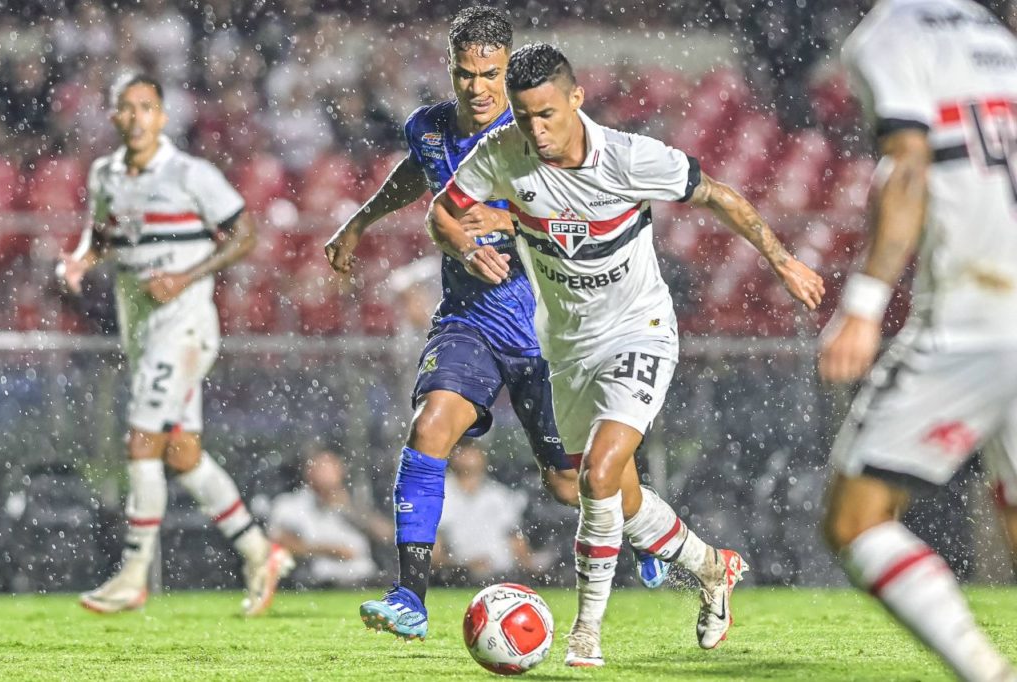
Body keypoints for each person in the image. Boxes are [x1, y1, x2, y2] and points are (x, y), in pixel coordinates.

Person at [426, 43, 824, 667]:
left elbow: (719, 195)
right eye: (525, 116)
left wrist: (783, 260)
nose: (536, 129)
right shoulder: (503, 155)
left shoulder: (631, 158)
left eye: (548, 114)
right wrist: (466, 247)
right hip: (566, 350)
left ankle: (587, 634)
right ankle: (711, 567)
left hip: (639, 331)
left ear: (577, 99)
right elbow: (441, 213)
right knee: (610, 497)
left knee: (598, 474)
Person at [323, 7, 664, 642]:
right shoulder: (427, 129)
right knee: (429, 430)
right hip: (471, 321)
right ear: (450, 71)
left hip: (549, 331)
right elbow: (419, 177)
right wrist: (360, 222)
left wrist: (513, 225)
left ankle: (646, 530)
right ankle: (411, 596)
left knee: (572, 485)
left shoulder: (538, 132)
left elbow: (595, 204)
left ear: (508, 70)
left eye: (490, 73)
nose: (478, 88)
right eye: (465, 74)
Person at [818, 1, 1017, 679]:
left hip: (974, 317)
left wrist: (865, 304)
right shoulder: (995, 37)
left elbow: (907, 164)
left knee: (857, 519)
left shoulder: (890, 34)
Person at [58, 74, 293, 616]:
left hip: (185, 325)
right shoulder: (105, 175)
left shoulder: (191, 173)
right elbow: (102, 235)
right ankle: (260, 550)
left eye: (147, 107)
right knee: (181, 452)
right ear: (115, 117)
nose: (137, 117)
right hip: (140, 325)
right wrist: (78, 260)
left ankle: (134, 574)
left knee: (142, 442)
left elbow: (245, 234)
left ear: (162, 116)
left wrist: (186, 277)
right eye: (127, 108)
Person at [269, 448, 390, 587]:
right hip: (321, 582)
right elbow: (278, 541)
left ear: (342, 472)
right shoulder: (292, 504)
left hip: (367, 579)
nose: (326, 473)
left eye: (331, 467)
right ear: (308, 472)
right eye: (320, 467)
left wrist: (349, 509)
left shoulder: (354, 503)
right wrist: (327, 550)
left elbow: (386, 534)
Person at [433, 440, 539, 581]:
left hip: (505, 575)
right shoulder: (438, 494)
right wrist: (463, 566)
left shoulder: (499, 495)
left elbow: (516, 541)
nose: (468, 456)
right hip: (458, 576)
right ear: (451, 456)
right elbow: (434, 551)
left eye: (473, 451)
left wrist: (532, 570)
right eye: (463, 452)